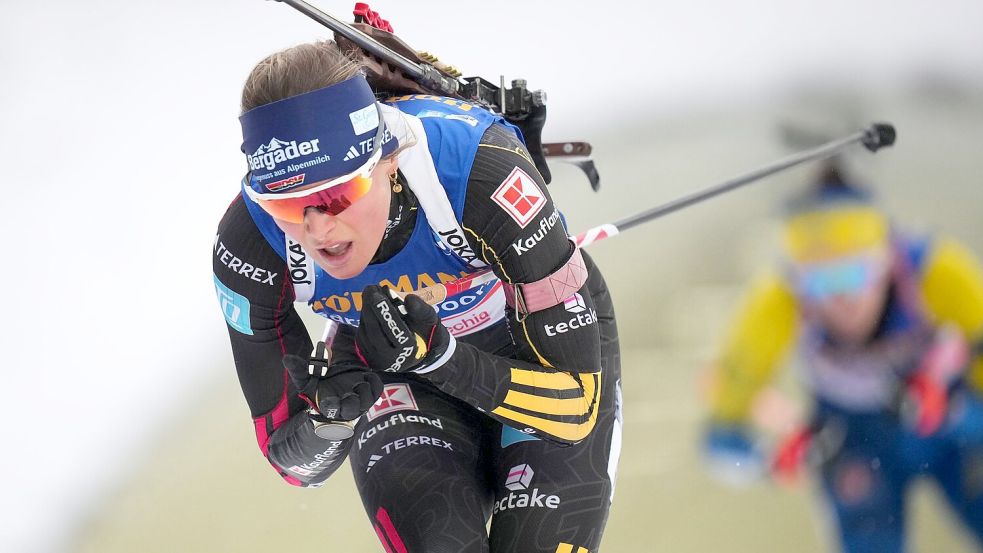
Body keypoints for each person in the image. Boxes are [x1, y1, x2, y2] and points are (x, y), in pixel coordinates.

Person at [212, 40, 622, 553]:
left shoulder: (479, 171)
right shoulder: (248, 240)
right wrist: (331, 419)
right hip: (396, 374)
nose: (318, 229)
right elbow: (291, 465)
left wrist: (440, 357)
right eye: (288, 206)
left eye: (335, 196)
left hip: (527, 353)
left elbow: (576, 405)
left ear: (387, 160)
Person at [702, 162, 983, 552]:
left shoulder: (940, 272)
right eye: (820, 280)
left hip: (950, 438)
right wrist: (773, 459)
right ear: (796, 280)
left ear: (887, 257)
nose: (842, 299)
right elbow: (718, 441)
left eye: (856, 273)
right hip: (851, 447)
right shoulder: (773, 303)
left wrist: (954, 411)